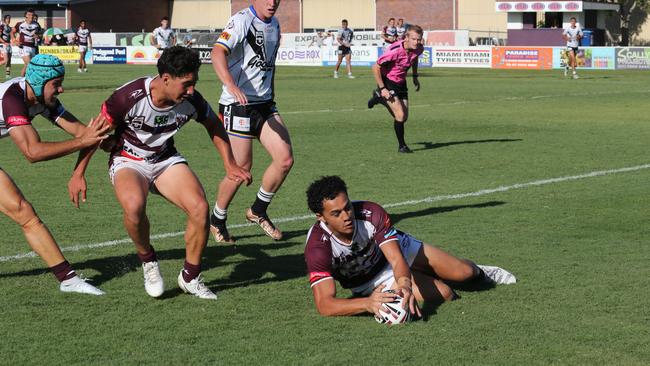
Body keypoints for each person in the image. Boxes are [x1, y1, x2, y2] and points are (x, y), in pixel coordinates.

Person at [72, 46, 251, 300]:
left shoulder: (192, 100)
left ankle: (190, 277)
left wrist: (230, 163)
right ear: (166, 78)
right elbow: (95, 133)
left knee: (200, 208)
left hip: (165, 160)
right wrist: (79, 172)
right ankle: (148, 261)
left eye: (194, 83)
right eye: (186, 84)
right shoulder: (128, 97)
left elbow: (214, 125)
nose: (191, 90)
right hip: (129, 160)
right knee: (134, 207)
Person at [304, 176, 516, 318]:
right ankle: (423, 276)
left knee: (465, 272)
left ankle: (480, 270)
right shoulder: (317, 247)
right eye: (336, 213)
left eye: (347, 207)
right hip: (370, 281)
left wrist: (404, 285)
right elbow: (325, 304)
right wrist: (367, 303)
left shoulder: (371, 213)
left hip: (396, 252)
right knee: (446, 293)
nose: (347, 216)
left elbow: (396, 259)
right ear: (320, 217)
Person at [0, 54, 110, 295]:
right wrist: (83, 141)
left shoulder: (42, 100)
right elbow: (32, 152)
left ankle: (68, 279)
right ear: (39, 82)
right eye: (56, 83)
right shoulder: (12, 98)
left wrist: (83, 168)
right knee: (23, 212)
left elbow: (86, 133)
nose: (61, 89)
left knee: (24, 212)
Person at [210, 0, 293, 243]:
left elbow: (270, 66)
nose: (272, 2)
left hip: (264, 103)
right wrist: (231, 85)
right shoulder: (242, 20)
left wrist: (271, 94)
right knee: (241, 168)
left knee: (285, 159)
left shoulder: (275, 24)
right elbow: (217, 52)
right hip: (238, 106)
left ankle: (257, 211)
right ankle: (217, 219)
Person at [367, 25, 423, 153]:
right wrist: (382, 88)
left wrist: (415, 76)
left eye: (419, 39)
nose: (416, 42)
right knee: (400, 115)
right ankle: (402, 146)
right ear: (406, 37)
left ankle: (379, 99)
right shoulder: (395, 50)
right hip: (388, 82)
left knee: (404, 117)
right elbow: (375, 67)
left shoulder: (418, 48)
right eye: (414, 39)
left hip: (401, 83)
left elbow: (414, 59)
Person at [12, 9, 42, 77]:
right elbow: (12, 32)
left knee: (26, 66)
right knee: (30, 65)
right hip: (23, 47)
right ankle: (32, 82)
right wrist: (14, 40)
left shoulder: (36, 24)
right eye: (29, 15)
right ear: (25, 16)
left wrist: (38, 36)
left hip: (33, 47)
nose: (31, 16)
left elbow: (40, 34)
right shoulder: (20, 24)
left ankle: (21, 81)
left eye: (32, 15)